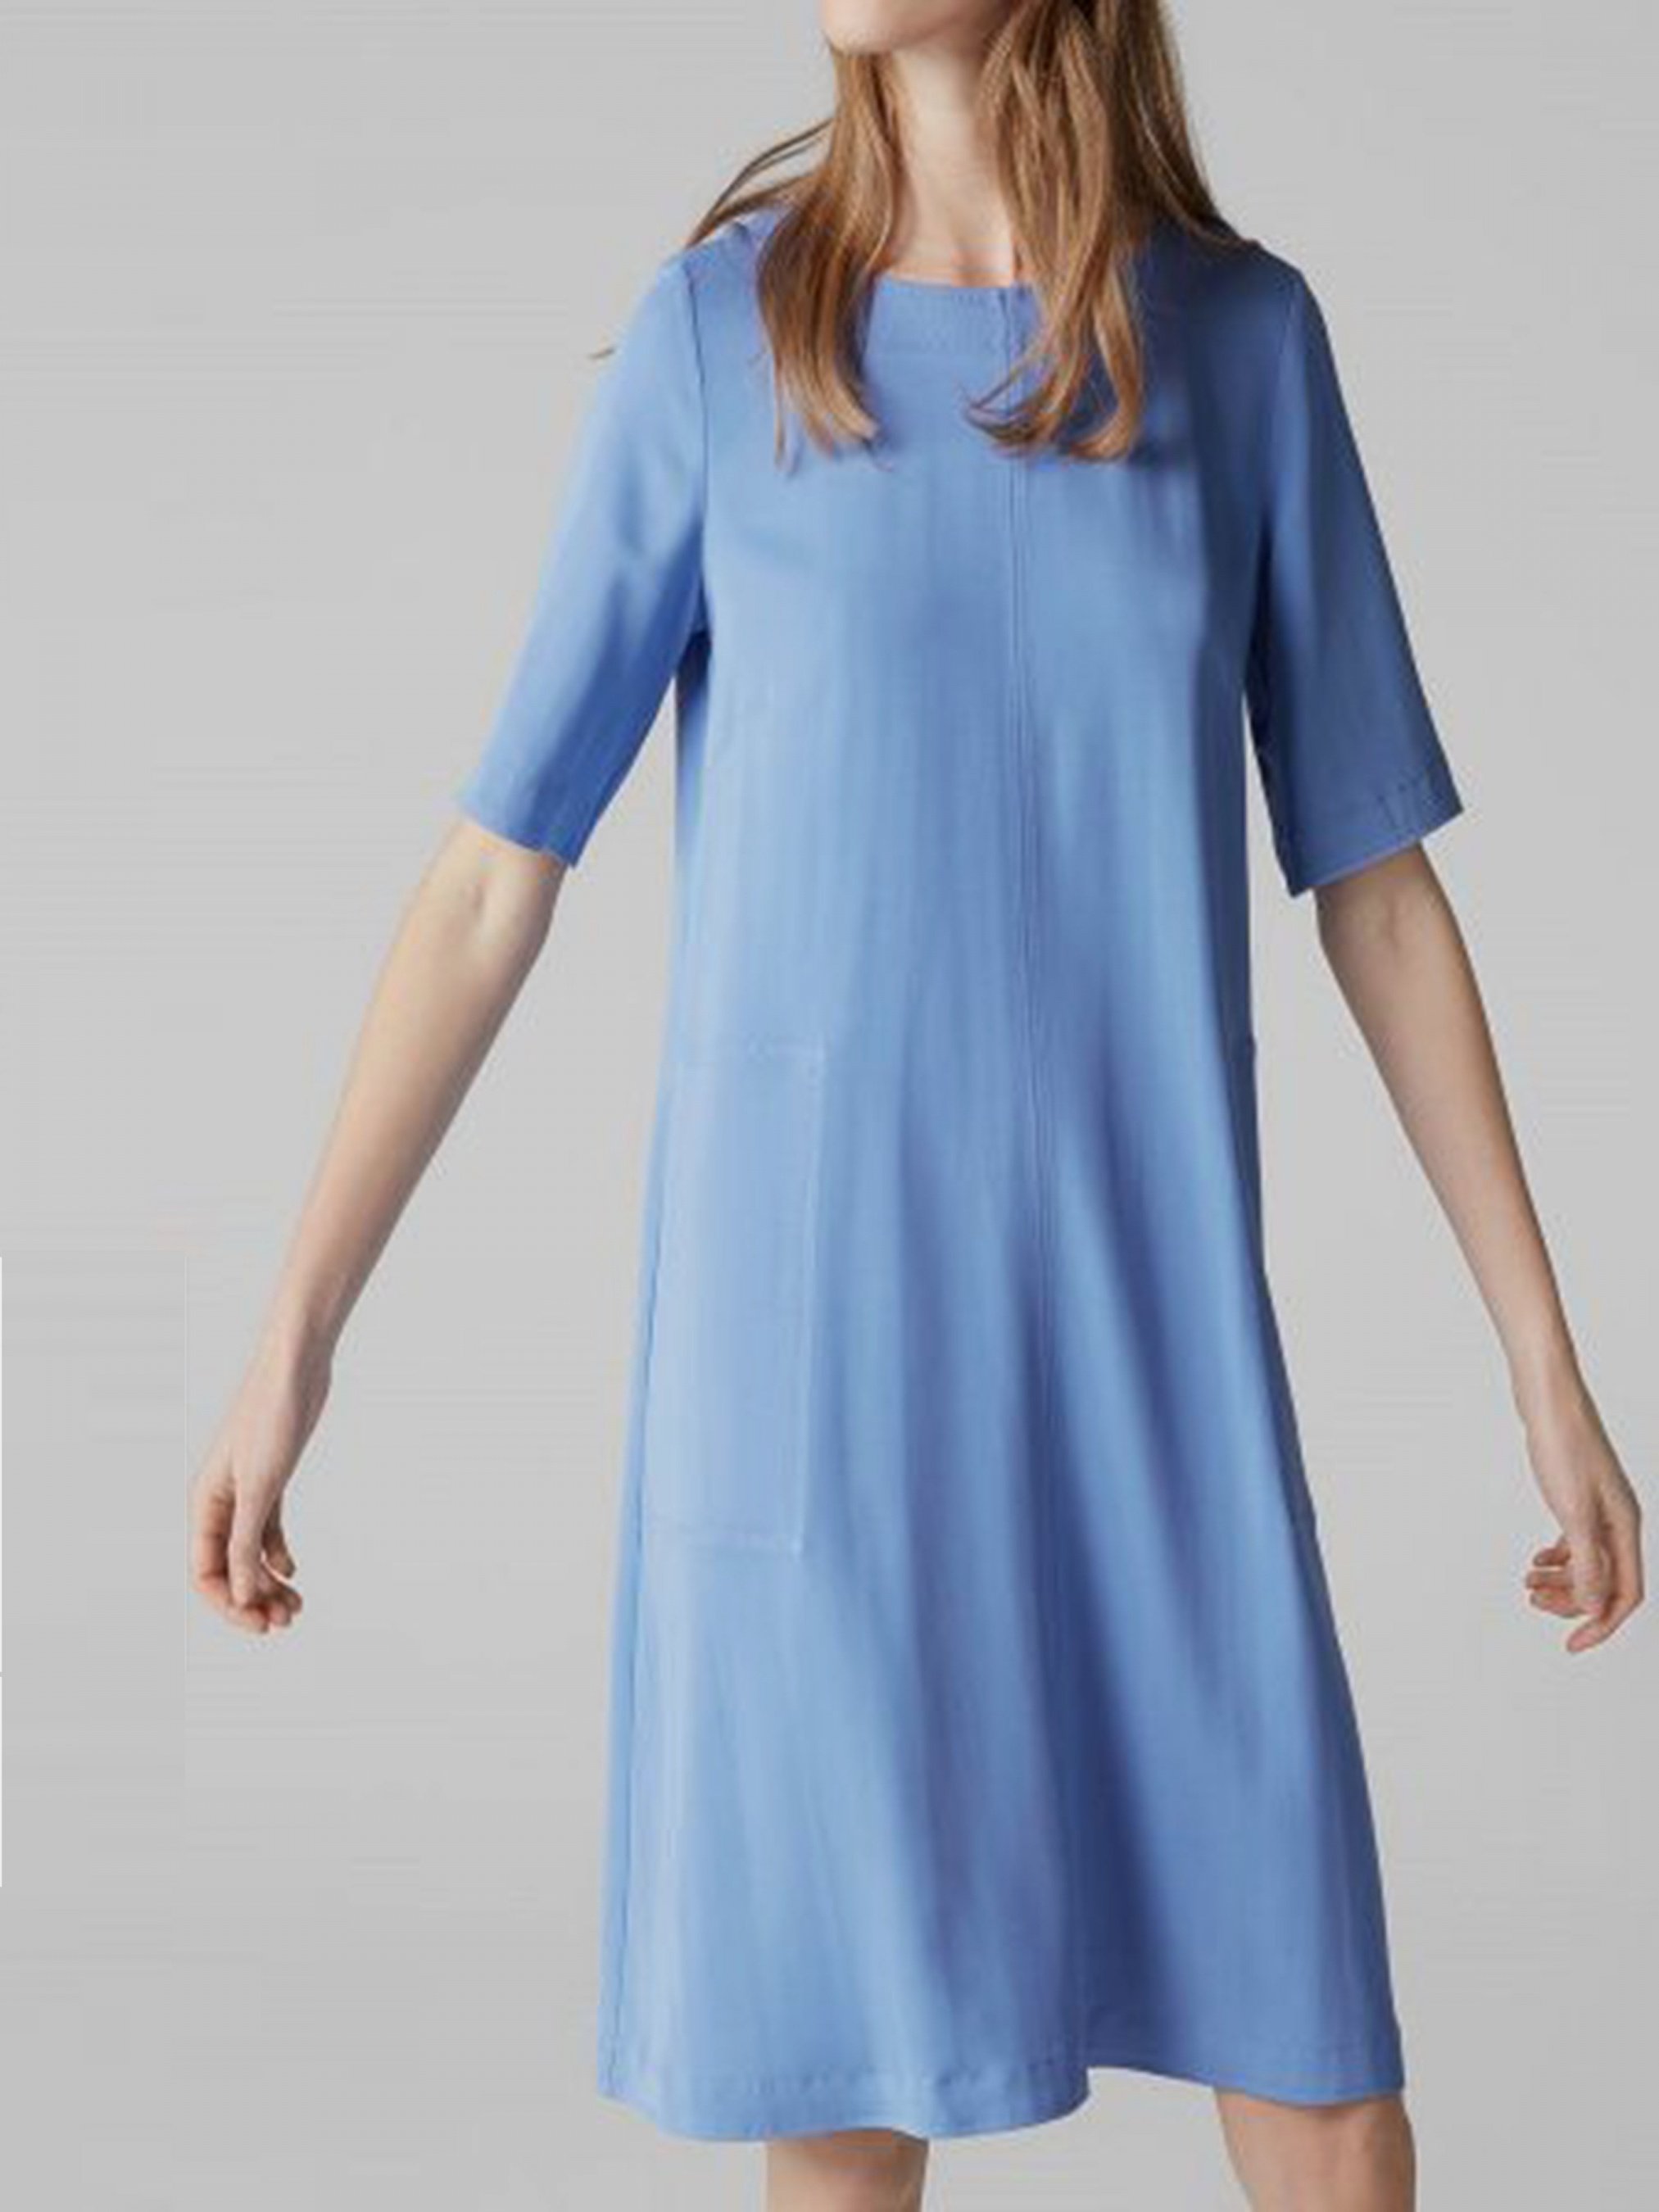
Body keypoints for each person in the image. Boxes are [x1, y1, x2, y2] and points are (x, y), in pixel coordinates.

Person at [188, 3, 1644, 2207]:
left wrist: (1539, 1356)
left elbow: (1373, 880)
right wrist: (296, 1336)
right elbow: (495, 877)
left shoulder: (1241, 343)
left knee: (1325, 2095)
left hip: (1148, 1334)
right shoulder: (720, 342)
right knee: (850, 2100)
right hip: (824, 1368)